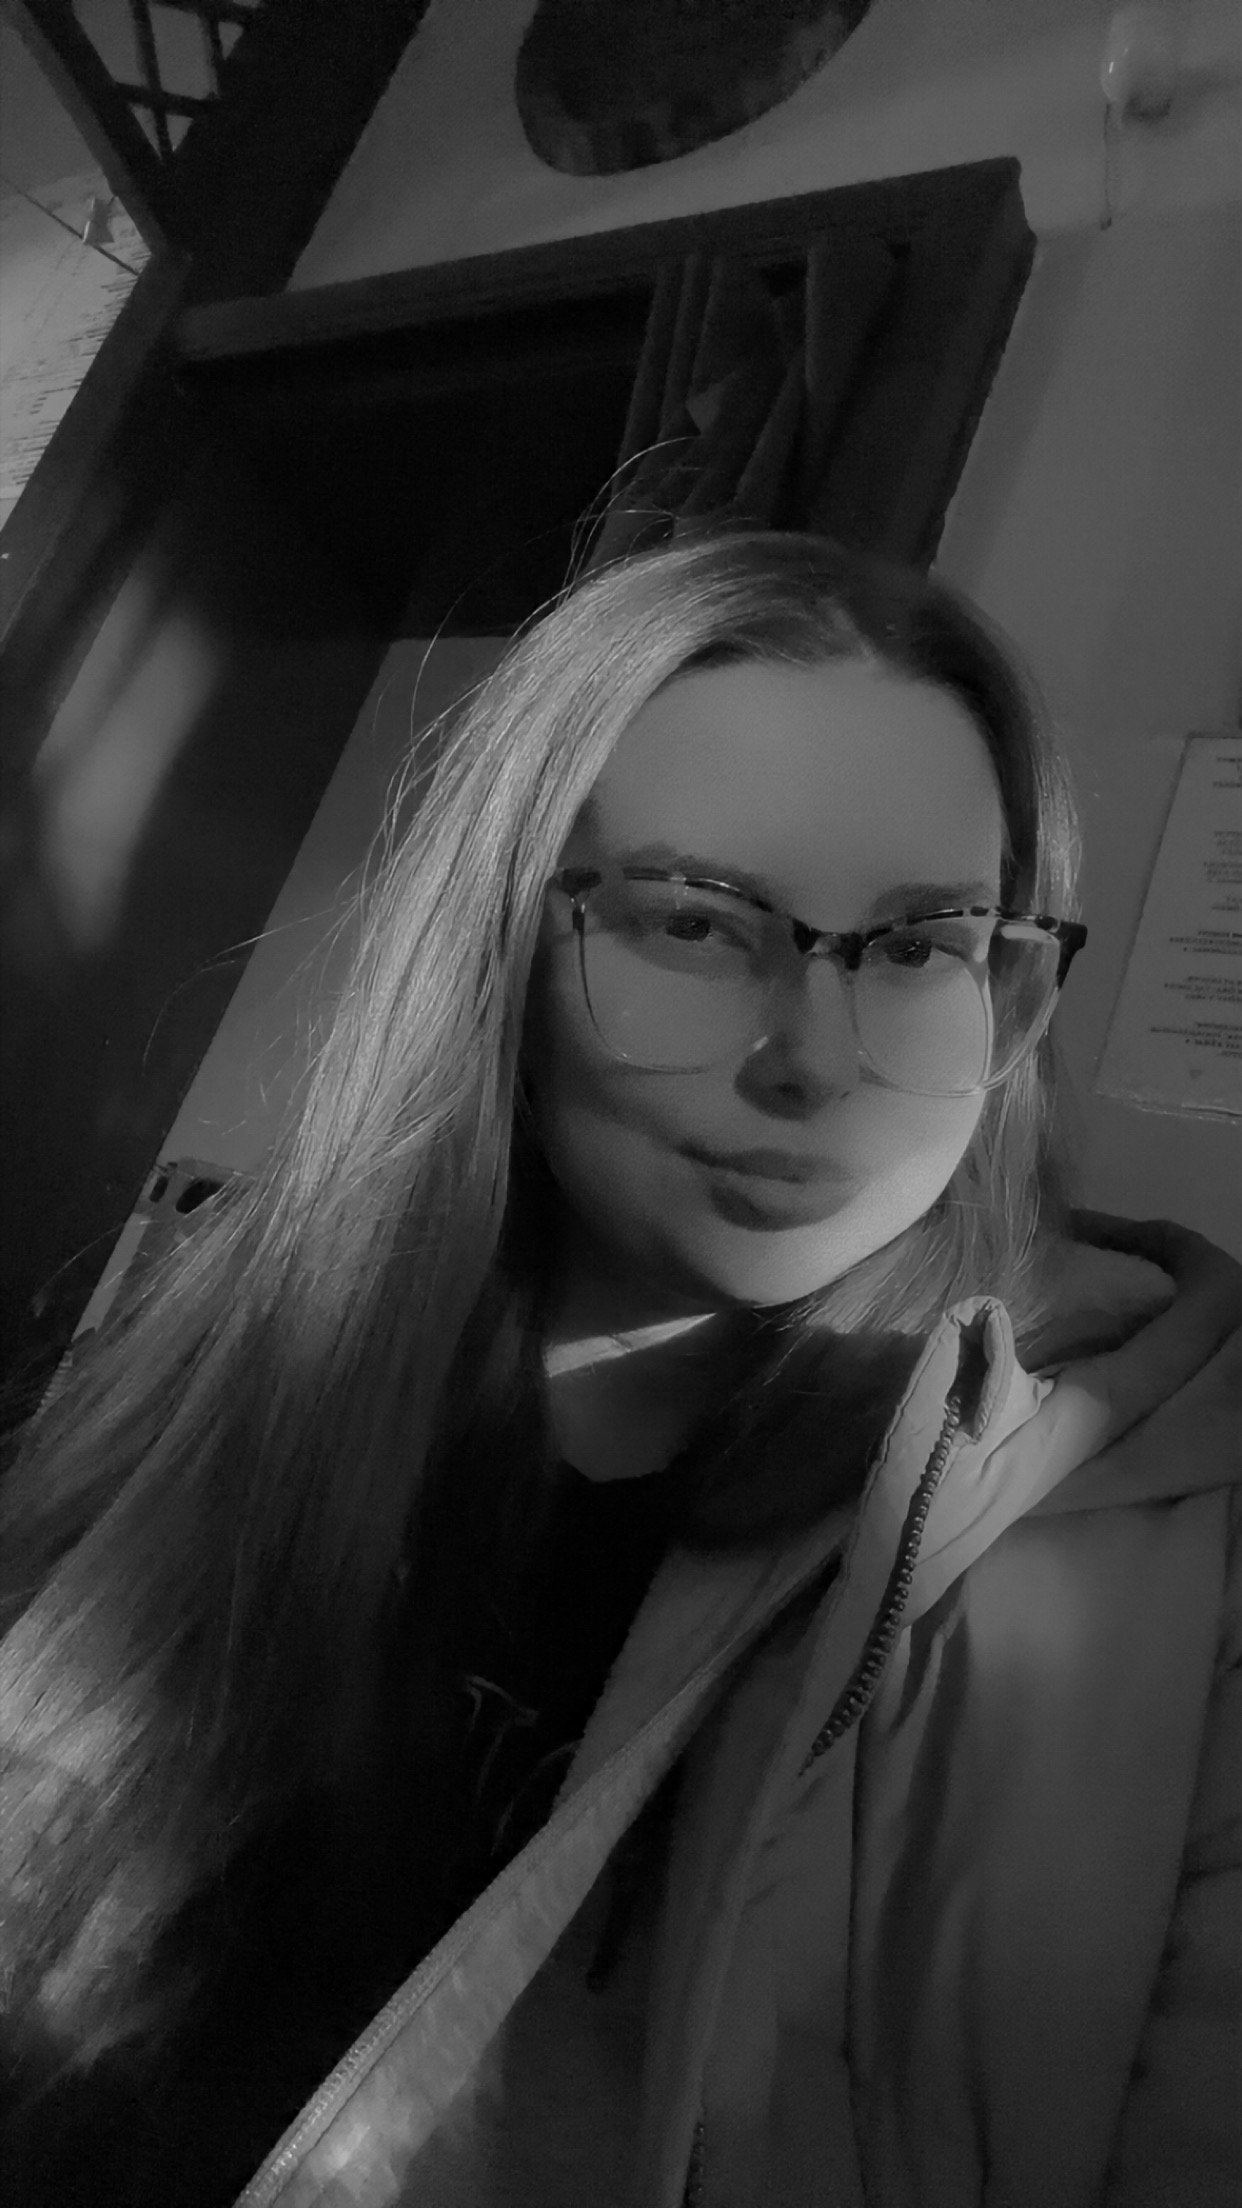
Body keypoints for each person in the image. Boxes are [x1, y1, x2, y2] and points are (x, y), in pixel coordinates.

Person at [0, 531, 1237, 2208]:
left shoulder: (1170, 1538)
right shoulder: (233, 1351)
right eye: (694, 922)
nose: (814, 1062)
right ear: (497, 948)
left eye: (920, 945)